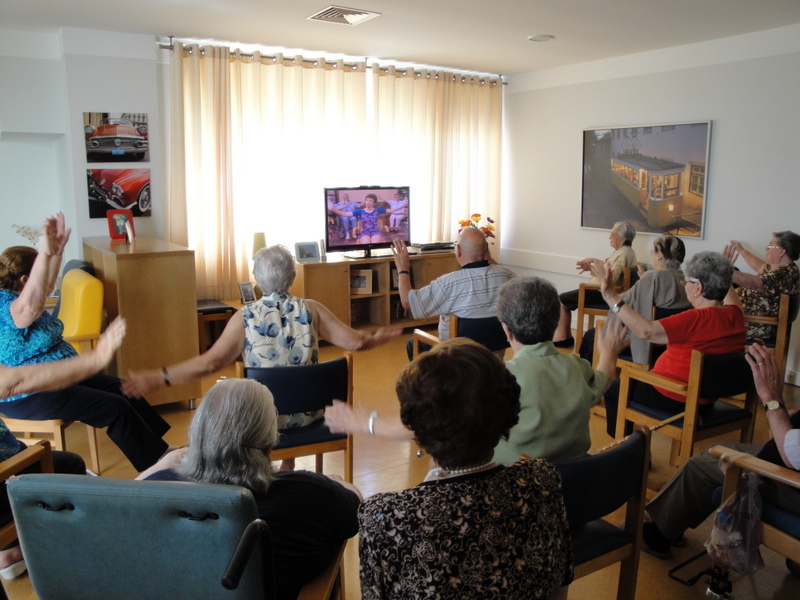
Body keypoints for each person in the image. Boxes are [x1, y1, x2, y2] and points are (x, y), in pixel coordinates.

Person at [123, 245, 401, 466]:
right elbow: (355, 342)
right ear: (292, 276)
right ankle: (289, 465)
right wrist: (377, 338)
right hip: (309, 414)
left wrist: (160, 377)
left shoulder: (245, 316)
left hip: (260, 420)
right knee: (291, 386)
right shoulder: (312, 309)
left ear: (257, 279)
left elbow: (211, 362)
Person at [357, 338, 572, 600]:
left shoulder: (385, 517)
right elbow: (559, 587)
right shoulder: (543, 479)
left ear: (416, 427)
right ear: (506, 411)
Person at [139, 378, 361, 600]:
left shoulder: (157, 492)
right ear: (270, 442)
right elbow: (357, 507)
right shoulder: (308, 494)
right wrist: (335, 482)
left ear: (197, 434)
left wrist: (168, 461)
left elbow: (121, 497)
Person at [0, 213, 171, 472]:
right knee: (115, 407)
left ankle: (162, 451)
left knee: (125, 388)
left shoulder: (19, 293)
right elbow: (27, 311)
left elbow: (44, 288)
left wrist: (55, 253)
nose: (45, 281)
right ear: (25, 280)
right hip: (32, 394)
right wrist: (45, 254)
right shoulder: (9, 307)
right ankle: (158, 467)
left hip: (58, 378)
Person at [641, 342, 800, 558]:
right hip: (785, 456)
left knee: (698, 467)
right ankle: (672, 524)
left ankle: (656, 535)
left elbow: (793, 454)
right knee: (715, 449)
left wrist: (773, 401)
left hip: (791, 480)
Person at [0, 316, 127, 580]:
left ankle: (8, 553)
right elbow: (15, 381)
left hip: (9, 464)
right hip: (7, 478)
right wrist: (95, 359)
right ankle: (58, 550)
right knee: (71, 465)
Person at [596, 251, 746, 439]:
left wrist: (611, 297)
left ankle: (624, 449)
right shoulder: (736, 315)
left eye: (687, 282)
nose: (685, 286)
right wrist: (723, 271)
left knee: (613, 389)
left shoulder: (695, 319)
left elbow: (646, 331)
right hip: (706, 396)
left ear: (698, 288)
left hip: (673, 394)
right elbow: (729, 293)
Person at [493, 276, 629, 464]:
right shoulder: (577, 367)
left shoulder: (499, 378)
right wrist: (609, 353)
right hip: (575, 478)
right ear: (556, 322)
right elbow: (603, 380)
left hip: (520, 482)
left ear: (506, 330)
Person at [392, 226, 515, 359]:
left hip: (455, 361)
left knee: (413, 343)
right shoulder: (507, 276)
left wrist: (403, 268)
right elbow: (497, 269)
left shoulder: (449, 283)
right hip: (493, 363)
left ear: (458, 250)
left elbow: (407, 302)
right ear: (486, 249)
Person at [579, 233, 691, 364]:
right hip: (665, 345)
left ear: (659, 255)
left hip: (643, 343)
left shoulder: (652, 278)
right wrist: (644, 282)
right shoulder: (686, 280)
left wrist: (602, 279)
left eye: (653, 252)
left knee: (591, 336)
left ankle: (593, 381)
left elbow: (617, 302)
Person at [553, 220, 637, 347]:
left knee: (561, 300)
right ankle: (565, 337)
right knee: (564, 299)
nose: (610, 237)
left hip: (602, 294)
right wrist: (591, 266)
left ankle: (563, 337)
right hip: (601, 292)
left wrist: (594, 263)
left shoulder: (623, 254)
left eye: (613, 235)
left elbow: (610, 278)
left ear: (623, 239)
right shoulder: (625, 252)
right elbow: (609, 273)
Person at [723, 231, 800, 341]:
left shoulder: (783, 274)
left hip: (756, 326)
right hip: (748, 320)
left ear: (782, 252)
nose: (766, 248)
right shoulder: (783, 268)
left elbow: (753, 283)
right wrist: (742, 250)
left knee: (704, 319)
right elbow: (761, 267)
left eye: (770, 245)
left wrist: (722, 269)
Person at [329, 193, 406, 244]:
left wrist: (403, 205)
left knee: (375, 243)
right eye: (367, 200)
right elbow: (345, 214)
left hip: (375, 231)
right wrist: (334, 209)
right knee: (366, 243)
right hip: (364, 232)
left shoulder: (378, 210)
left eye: (370, 201)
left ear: (374, 203)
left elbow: (391, 210)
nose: (368, 202)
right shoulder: (360, 211)